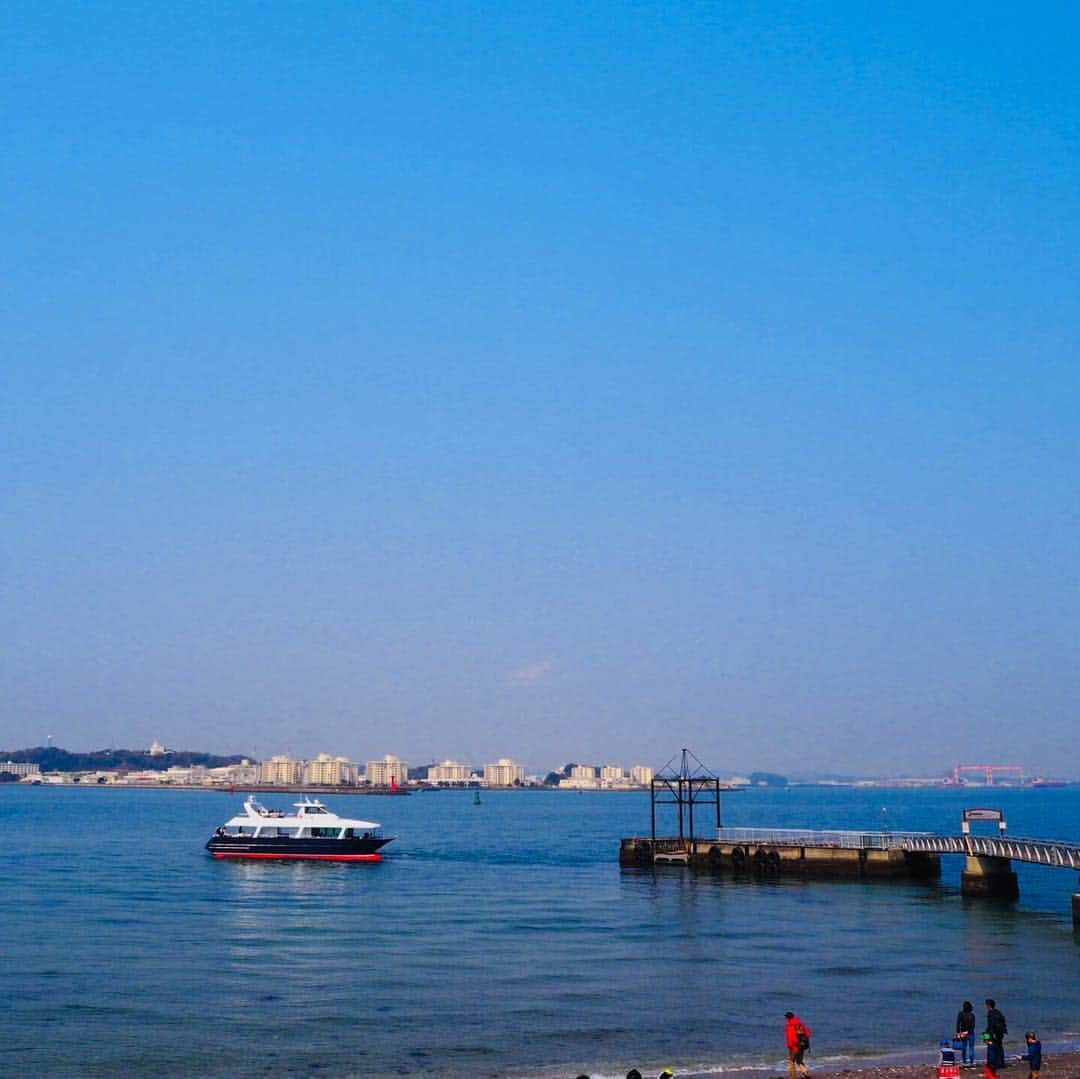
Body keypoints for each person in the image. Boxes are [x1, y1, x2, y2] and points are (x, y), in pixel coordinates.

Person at [785, 1011, 811, 1079]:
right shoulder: (800, 1023)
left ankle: (793, 1077)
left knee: (791, 1061)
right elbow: (808, 1033)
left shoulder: (790, 1025)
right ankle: (805, 1072)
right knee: (799, 1060)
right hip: (802, 1045)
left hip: (794, 1047)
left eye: (786, 1018)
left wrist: (790, 1046)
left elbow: (792, 1038)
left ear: (788, 1018)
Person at [984, 999, 1007, 1073]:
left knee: (991, 1047)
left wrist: (987, 1037)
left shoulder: (990, 1013)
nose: (986, 1006)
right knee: (999, 1047)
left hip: (993, 1033)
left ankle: (991, 1063)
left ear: (988, 1005)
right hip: (1000, 1033)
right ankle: (1000, 1063)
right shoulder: (998, 1012)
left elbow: (990, 1025)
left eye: (986, 1005)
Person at [956, 1001, 977, 1066]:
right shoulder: (972, 1015)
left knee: (964, 1048)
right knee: (971, 1048)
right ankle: (971, 1061)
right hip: (970, 1032)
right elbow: (973, 1026)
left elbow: (958, 1024)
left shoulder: (960, 1014)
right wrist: (968, 1031)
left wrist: (958, 1032)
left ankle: (964, 1061)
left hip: (963, 1032)